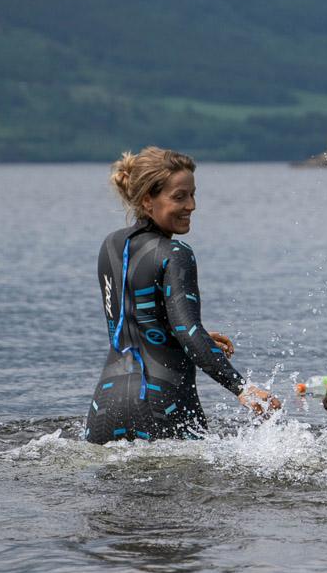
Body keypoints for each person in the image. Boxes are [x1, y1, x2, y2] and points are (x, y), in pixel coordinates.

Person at [85, 146, 280, 443]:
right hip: (162, 401)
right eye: (179, 197)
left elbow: (131, 324)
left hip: (105, 407)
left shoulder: (110, 245)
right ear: (148, 200)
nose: (191, 205)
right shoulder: (175, 253)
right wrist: (243, 388)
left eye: (192, 194)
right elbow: (187, 331)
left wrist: (191, 338)